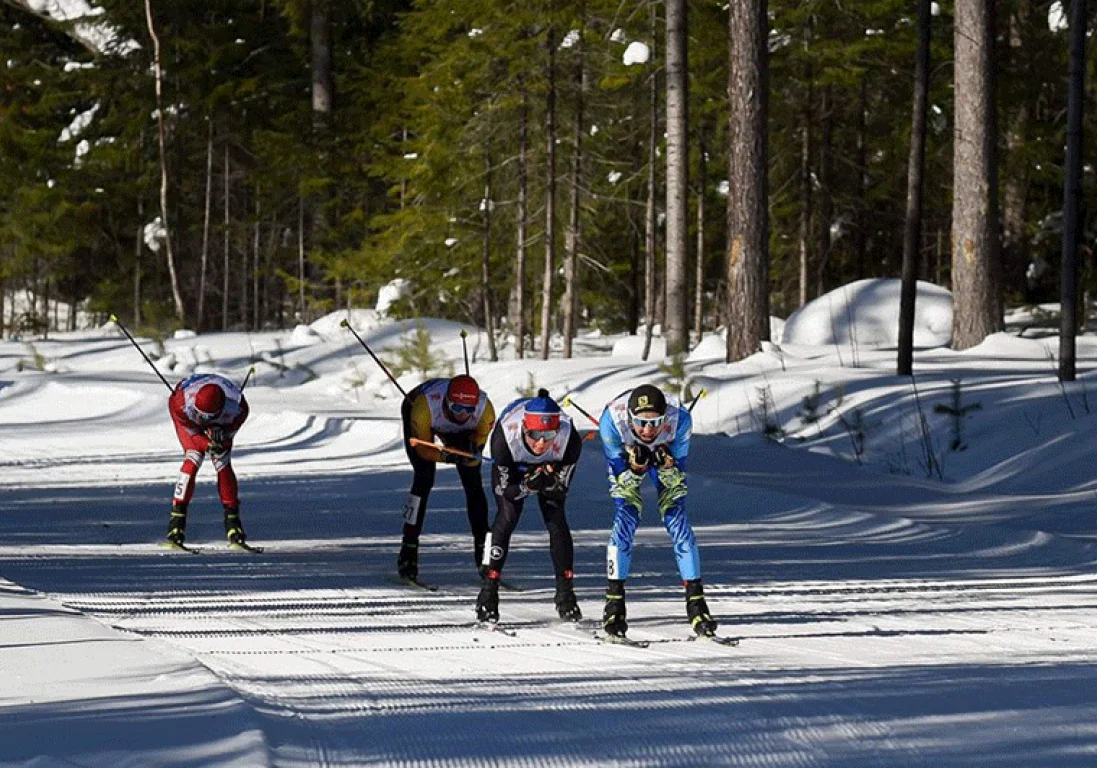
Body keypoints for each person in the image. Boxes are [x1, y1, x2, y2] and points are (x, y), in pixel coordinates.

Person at [598, 383, 717, 638]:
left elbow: (676, 482)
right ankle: (614, 603)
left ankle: (696, 602)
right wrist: (635, 469)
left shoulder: (681, 420)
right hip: (626, 459)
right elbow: (621, 485)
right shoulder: (611, 422)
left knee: (676, 515)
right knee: (627, 514)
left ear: (665, 418)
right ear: (630, 418)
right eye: (641, 423)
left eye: (655, 423)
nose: (648, 430)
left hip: (667, 452)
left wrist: (667, 465)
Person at [477, 389, 583, 624]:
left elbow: (560, 489)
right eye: (535, 434)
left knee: (556, 519)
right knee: (507, 516)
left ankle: (566, 594)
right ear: (525, 428)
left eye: (549, 435)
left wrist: (548, 482)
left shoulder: (569, 439)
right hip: (515, 464)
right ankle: (488, 591)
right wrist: (527, 484)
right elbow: (508, 491)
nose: (541, 442)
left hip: (551, 465)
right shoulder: (505, 437)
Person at [399, 374, 495, 582]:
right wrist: (446, 455)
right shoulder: (424, 407)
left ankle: (484, 552)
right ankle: (409, 547)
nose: (462, 414)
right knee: (424, 478)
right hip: (424, 416)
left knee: (473, 481)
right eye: (457, 408)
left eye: (468, 410)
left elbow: (474, 455)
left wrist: (467, 454)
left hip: (462, 431)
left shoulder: (485, 411)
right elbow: (424, 451)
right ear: (446, 401)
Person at [167, 372, 250, 546]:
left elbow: (230, 432)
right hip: (186, 417)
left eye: (206, 417)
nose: (202, 419)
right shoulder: (181, 402)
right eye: (199, 414)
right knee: (194, 456)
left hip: (223, 420)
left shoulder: (238, 407)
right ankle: (176, 523)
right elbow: (192, 432)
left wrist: (222, 437)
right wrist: (206, 442)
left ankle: (233, 522)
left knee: (222, 460)